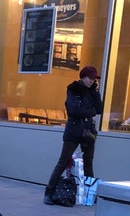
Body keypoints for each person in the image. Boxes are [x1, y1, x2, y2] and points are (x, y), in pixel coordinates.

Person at [44, 65, 104, 205]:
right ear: (83, 76)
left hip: (88, 130)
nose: (91, 81)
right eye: (90, 78)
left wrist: (95, 93)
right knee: (63, 161)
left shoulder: (92, 91)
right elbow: (74, 110)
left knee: (88, 163)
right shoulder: (73, 89)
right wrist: (91, 111)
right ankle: (49, 192)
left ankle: (90, 194)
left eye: (94, 79)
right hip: (74, 129)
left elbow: (99, 109)